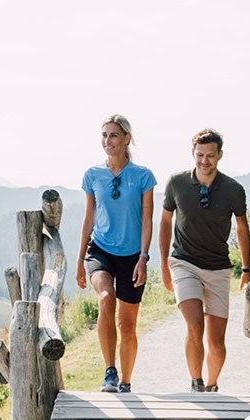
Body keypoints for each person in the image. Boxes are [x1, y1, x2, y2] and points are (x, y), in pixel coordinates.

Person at [159, 128, 250, 393]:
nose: (204, 161)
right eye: (200, 155)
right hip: (183, 263)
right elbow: (165, 222)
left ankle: (211, 385)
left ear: (220, 155)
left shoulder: (234, 189)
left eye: (210, 156)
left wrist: (246, 268)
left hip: (219, 269)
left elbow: (242, 227)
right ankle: (196, 382)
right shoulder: (176, 183)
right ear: (193, 153)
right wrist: (164, 263)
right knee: (194, 325)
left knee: (217, 341)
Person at [76, 114, 156, 393]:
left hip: (133, 256)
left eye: (113, 135)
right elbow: (88, 219)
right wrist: (79, 260)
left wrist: (144, 258)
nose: (107, 141)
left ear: (126, 139)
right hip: (100, 250)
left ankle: (126, 381)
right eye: (104, 135)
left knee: (128, 325)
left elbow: (147, 221)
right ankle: (109, 371)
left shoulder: (143, 176)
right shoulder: (92, 175)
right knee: (106, 298)